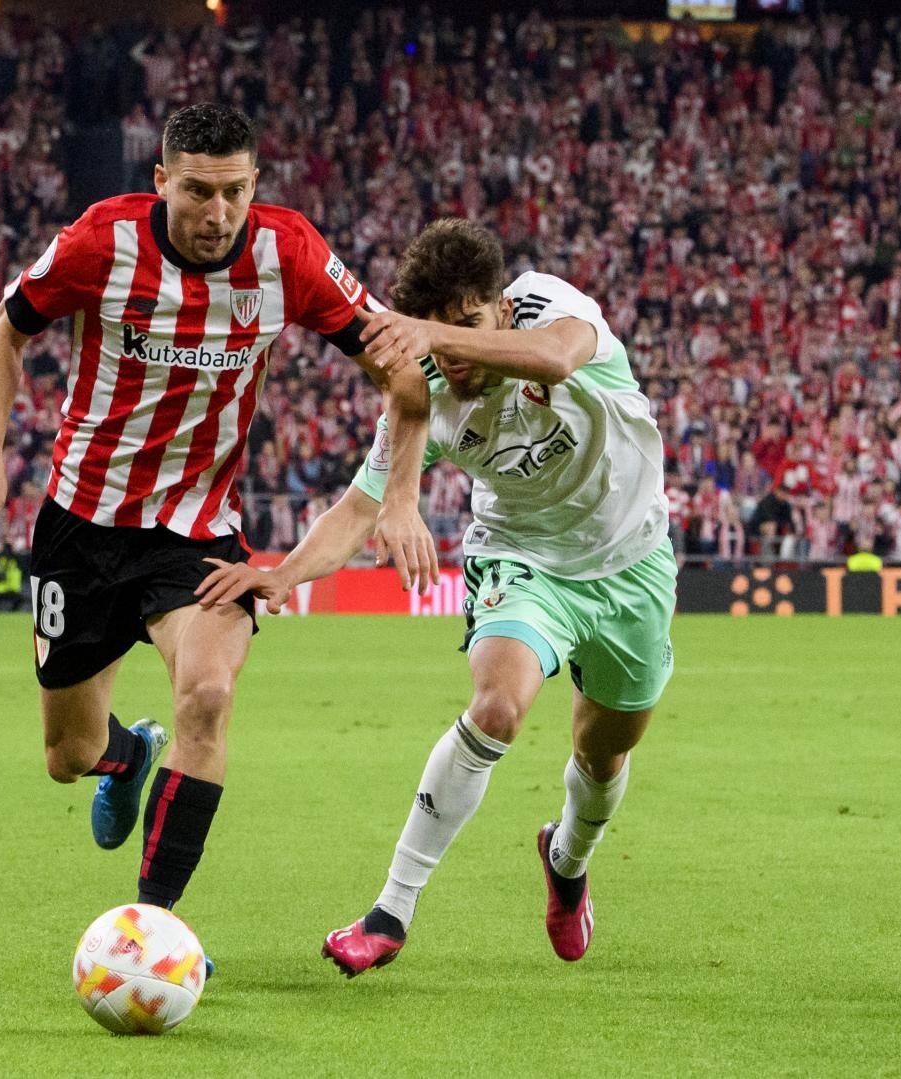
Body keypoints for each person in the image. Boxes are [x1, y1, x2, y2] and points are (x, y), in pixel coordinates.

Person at [0, 103, 432, 938]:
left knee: (205, 697)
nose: (218, 214)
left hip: (196, 531)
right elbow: (3, 332)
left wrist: (402, 496)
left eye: (235, 192)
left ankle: (152, 929)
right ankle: (127, 756)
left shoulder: (292, 254)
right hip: (81, 522)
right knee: (67, 757)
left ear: (256, 185)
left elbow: (404, 370)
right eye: (199, 191)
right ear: (161, 180)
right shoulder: (103, 242)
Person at [197, 218, 675, 975]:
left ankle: (568, 857)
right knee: (498, 706)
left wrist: (425, 331)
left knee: (605, 751)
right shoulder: (430, 391)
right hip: (523, 559)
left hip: (633, 561)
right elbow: (361, 506)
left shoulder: (547, 308)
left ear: (498, 305)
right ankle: (391, 911)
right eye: (439, 337)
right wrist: (282, 574)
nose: (453, 350)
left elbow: (555, 359)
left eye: (467, 325)